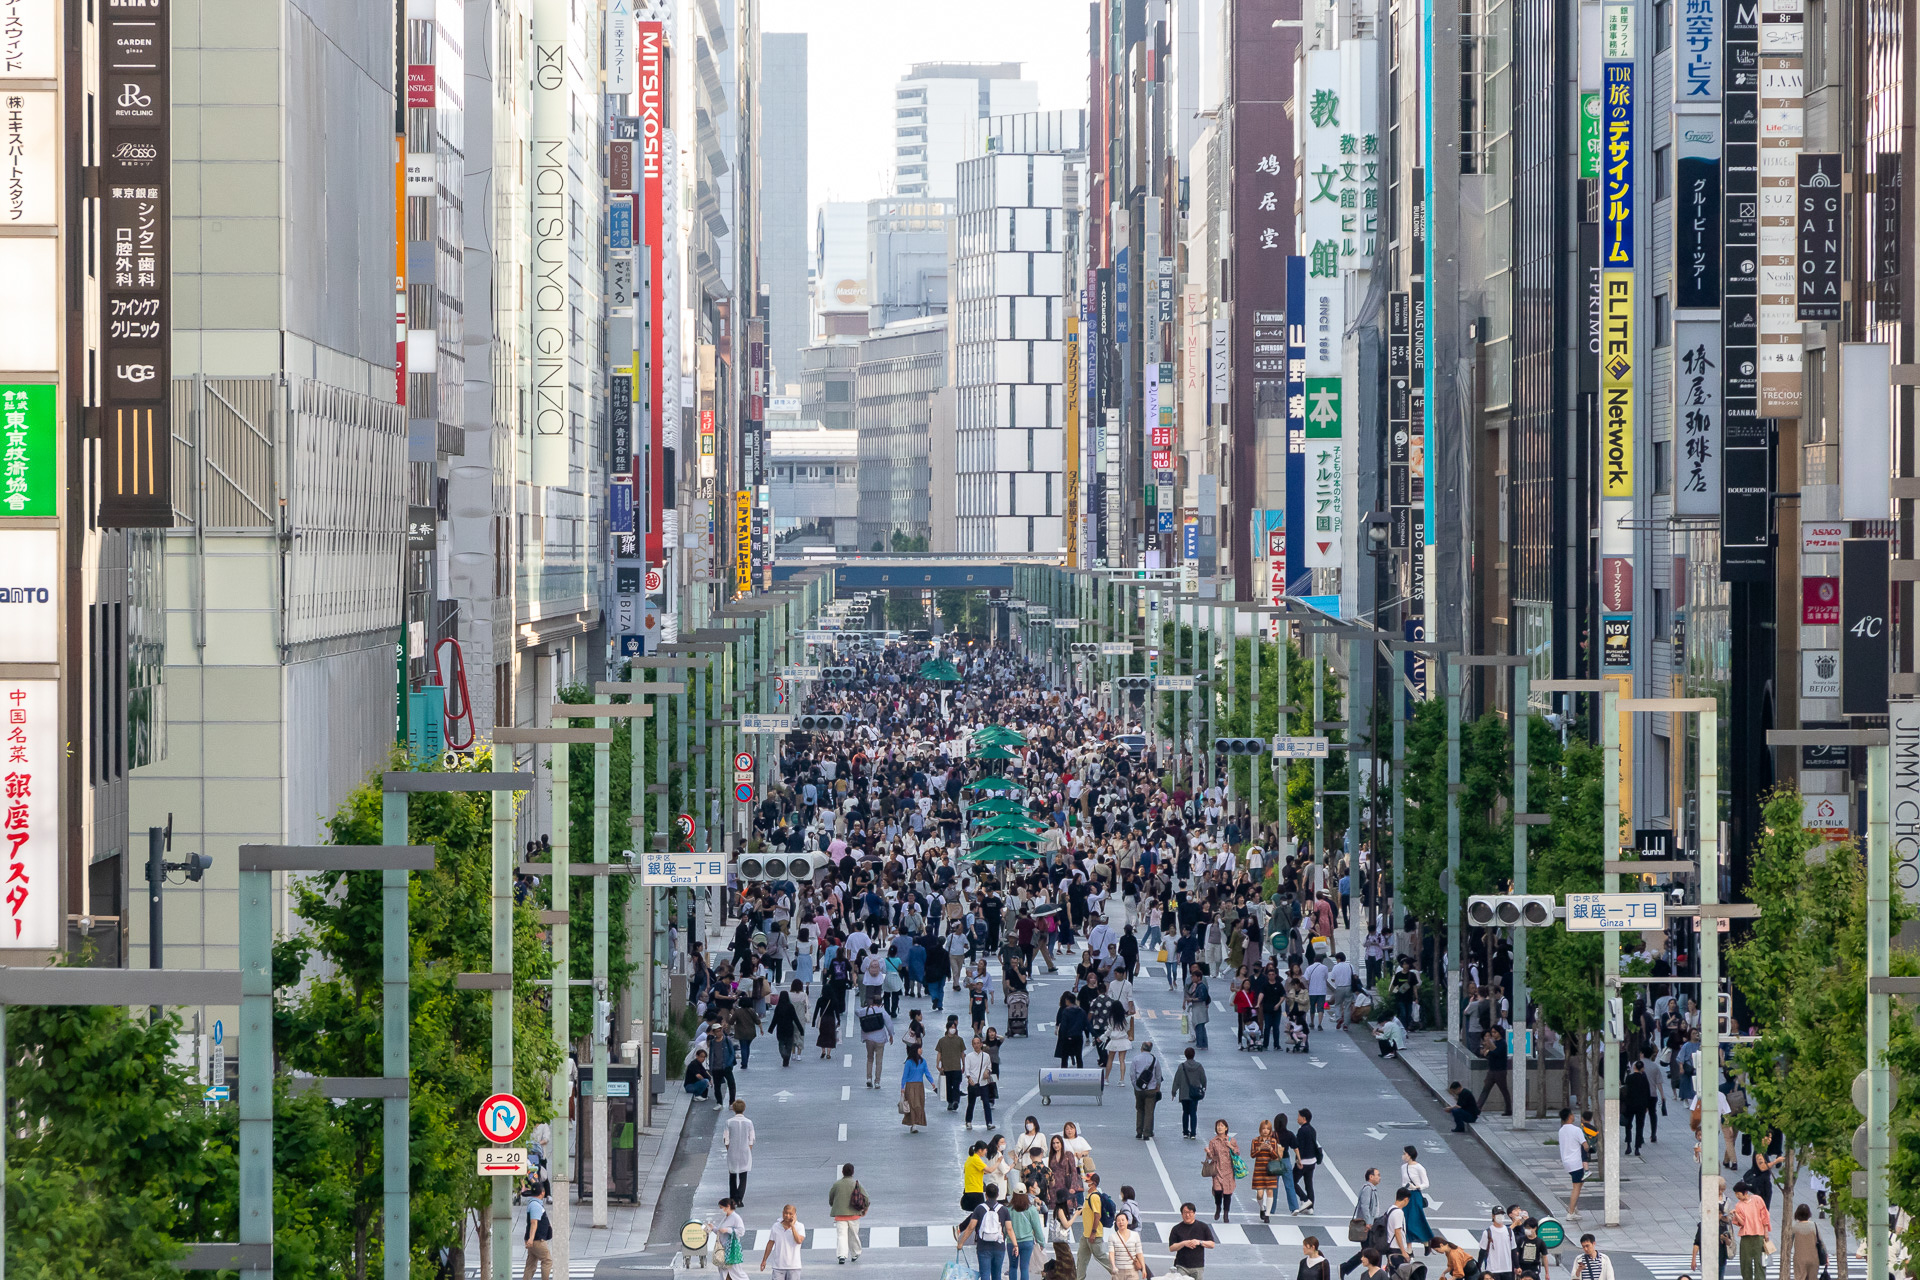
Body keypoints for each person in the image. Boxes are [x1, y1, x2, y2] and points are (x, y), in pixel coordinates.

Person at [957, 1181, 1016, 1280]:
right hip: (999, 1246)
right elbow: (1009, 1229)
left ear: (986, 1195)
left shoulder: (979, 1209)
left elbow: (971, 1227)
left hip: (983, 1246)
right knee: (997, 1274)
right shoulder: (1004, 1210)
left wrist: (961, 1242)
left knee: (984, 1274)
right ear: (997, 1195)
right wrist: (1015, 1244)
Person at [1339, 1169, 1383, 1276]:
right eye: (1377, 1175)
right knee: (1370, 1251)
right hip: (1368, 1225)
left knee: (1369, 1251)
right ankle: (1346, 1268)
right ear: (1371, 1177)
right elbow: (1364, 1206)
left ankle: (1346, 1268)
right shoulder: (1368, 1189)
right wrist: (1368, 1222)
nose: (1379, 1177)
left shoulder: (1372, 1189)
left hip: (1371, 1224)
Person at [1166, 1202, 1218, 1279]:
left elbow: (1212, 1244)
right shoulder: (1176, 1229)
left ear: (1194, 1213)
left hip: (1198, 1266)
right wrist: (1184, 1243)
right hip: (1181, 1265)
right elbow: (1171, 1248)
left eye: (1190, 1212)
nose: (1187, 1215)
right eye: (1185, 1212)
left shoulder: (1203, 1227)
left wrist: (1199, 1242)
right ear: (1182, 1214)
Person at [1077, 1172, 1115, 1279]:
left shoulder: (1094, 1197)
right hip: (1086, 1235)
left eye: (1086, 1181)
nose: (1084, 1182)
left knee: (1100, 1256)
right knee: (1081, 1258)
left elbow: (1097, 1215)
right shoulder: (1089, 1196)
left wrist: (1093, 1232)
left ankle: (1118, 1273)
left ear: (1093, 1183)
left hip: (1093, 1235)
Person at [1731, 1183, 1772, 1280]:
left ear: (1745, 1192)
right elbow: (1742, 1223)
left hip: (1759, 1235)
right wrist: (1736, 1214)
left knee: (1760, 1262)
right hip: (1746, 1236)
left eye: (1738, 1194)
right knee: (1745, 1262)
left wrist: (1766, 1232)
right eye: (1736, 1194)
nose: (1737, 1196)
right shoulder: (1738, 1205)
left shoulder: (1757, 1199)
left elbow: (1765, 1216)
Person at [827, 1163, 866, 1264]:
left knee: (841, 1235)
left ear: (842, 1172)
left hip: (840, 1214)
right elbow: (865, 1197)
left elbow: (831, 1198)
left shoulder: (837, 1184)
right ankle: (855, 1253)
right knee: (854, 1235)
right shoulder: (856, 1184)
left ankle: (842, 1255)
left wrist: (833, 1205)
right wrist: (864, 1209)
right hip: (854, 1214)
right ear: (853, 1172)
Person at [1204, 1119, 1240, 1222]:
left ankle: (1226, 1213)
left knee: (1228, 1193)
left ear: (1226, 1128)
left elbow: (1237, 1153)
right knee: (1218, 1191)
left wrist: (1231, 1146)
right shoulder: (1213, 1141)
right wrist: (1208, 1152)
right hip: (1217, 1169)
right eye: (1218, 1126)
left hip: (1229, 1170)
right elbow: (1211, 1157)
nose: (1220, 1128)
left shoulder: (1231, 1140)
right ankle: (1218, 1207)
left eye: (1222, 1126)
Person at [759, 1203, 807, 1280]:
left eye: (790, 1214)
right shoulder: (776, 1226)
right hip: (778, 1266)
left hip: (794, 1267)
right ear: (782, 1213)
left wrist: (792, 1226)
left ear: (795, 1215)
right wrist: (764, 1260)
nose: (787, 1215)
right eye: (786, 1213)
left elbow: (799, 1240)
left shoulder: (800, 1226)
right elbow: (770, 1244)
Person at [1010, 1188, 1048, 1280]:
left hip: (1012, 1242)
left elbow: (1006, 1227)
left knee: (1013, 1267)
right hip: (1027, 1241)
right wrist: (1041, 1242)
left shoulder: (1009, 1209)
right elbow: (1037, 1228)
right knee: (1024, 1268)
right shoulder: (1031, 1209)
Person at [1399, 1146, 1434, 1246]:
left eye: (1404, 1153)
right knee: (1405, 1220)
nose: (1403, 1156)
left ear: (1410, 1155)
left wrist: (1416, 1187)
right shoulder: (1403, 1167)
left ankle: (1426, 1241)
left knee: (1416, 1219)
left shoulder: (1419, 1168)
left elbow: (1426, 1183)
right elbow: (1403, 1182)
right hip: (1406, 1194)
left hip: (1415, 1195)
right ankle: (1409, 1248)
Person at [1250, 1120, 1283, 1223]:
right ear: (1260, 1129)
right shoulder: (1255, 1141)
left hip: (1270, 1170)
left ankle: (1267, 1214)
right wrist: (1259, 1148)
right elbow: (1252, 1155)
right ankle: (1262, 1208)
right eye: (1264, 1128)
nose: (1265, 1131)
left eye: (1268, 1129)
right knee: (1259, 1194)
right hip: (1259, 1170)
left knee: (1270, 1191)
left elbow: (1276, 1156)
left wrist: (1270, 1149)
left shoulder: (1273, 1141)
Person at [1557, 1107, 1588, 1218]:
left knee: (1580, 1184)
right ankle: (1571, 1212)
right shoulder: (1576, 1130)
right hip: (1576, 1162)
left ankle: (1573, 1207)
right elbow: (1585, 1145)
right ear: (1570, 1116)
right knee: (1576, 1186)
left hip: (1567, 1162)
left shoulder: (1561, 1131)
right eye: (1573, 1114)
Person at [1170, 1047, 1207, 1139]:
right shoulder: (1199, 1066)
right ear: (1194, 1055)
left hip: (1184, 1093)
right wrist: (1203, 1087)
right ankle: (1193, 1133)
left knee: (1185, 1112)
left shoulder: (1181, 1066)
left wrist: (1174, 1092)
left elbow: (1177, 1080)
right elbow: (1203, 1079)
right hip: (1194, 1094)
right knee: (1193, 1113)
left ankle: (1185, 1132)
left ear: (1185, 1055)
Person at [521, 1177, 553, 1280]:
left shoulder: (533, 1203)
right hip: (538, 1239)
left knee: (531, 1263)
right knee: (547, 1260)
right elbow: (534, 1223)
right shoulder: (536, 1205)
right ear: (542, 1192)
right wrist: (531, 1239)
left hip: (533, 1239)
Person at [725, 1099, 756, 1206]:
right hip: (745, 1150)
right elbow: (752, 1139)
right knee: (743, 1175)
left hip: (732, 1150)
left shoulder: (729, 1122)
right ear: (744, 1109)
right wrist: (748, 1148)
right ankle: (739, 1198)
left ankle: (733, 1197)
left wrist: (728, 1148)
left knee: (732, 1174)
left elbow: (726, 1139)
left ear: (733, 1109)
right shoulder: (749, 1122)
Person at [900, 1043, 936, 1133]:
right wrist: (902, 1087)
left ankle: (916, 1122)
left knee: (919, 1105)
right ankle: (913, 1124)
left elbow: (927, 1072)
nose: (921, 1050)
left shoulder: (923, 1061)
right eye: (920, 1048)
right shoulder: (909, 1062)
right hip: (910, 1086)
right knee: (912, 1105)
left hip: (919, 1086)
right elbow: (905, 1075)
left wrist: (932, 1082)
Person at [1130, 1039, 1163, 1140]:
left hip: (1139, 1089)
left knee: (1140, 1109)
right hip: (1151, 1089)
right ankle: (1147, 1132)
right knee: (1149, 1111)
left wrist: (1135, 1085)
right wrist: (1158, 1086)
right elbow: (1158, 1075)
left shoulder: (1136, 1059)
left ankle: (1139, 1131)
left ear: (1142, 1048)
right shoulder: (1154, 1060)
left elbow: (1132, 1074)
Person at [858, 997, 893, 1089]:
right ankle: (877, 1082)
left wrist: (867, 1008)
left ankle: (869, 1078)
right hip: (880, 1039)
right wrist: (891, 1035)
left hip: (868, 1038)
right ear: (881, 1003)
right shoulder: (882, 1011)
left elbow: (857, 1012)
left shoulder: (865, 1010)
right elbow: (889, 1024)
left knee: (870, 1058)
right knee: (879, 1061)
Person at [1108, 1205, 1150, 1280]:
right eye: (1118, 1221)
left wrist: (1143, 1268)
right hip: (1118, 1271)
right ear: (1116, 1223)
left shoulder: (1135, 1235)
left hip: (1132, 1271)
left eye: (1123, 1220)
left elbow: (1139, 1253)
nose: (1121, 1222)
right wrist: (1113, 1266)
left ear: (1127, 1221)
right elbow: (1111, 1253)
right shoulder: (1112, 1237)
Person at [966, 1034, 998, 1130]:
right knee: (971, 1103)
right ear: (972, 1045)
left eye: (978, 1043)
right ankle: (968, 1121)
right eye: (974, 1043)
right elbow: (967, 1070)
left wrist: (987, 1072)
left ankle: (989, 1123)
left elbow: (989, 1067)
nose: (976, 1045)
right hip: (973, 1083)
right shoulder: (969, 1056)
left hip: (983, 1083)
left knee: (986, 1103)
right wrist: (969, 1078)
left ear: (981, 1044)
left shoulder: (986, 1056)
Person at [1621, 1060, 1653, 1155]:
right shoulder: (1644, 1079)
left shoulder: (1629, 1078)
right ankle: (1637, 1148)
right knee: (1639, 1126)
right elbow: (1647, 1093)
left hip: (1630, 1105)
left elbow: (1626, 1091)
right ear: (1642, 1068)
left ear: (1634, 1067)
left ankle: (1628, 1145)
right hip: (1641, 1106)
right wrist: (1647, 1106)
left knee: (1628, 1125)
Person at [714, 1196, 749, 1280]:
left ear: (728, 1206)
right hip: (723, 1249)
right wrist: (713, 1228)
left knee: (736, 1272)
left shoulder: (736, 1218)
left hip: (731, 1249)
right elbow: (720, 1231)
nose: (721, 1210)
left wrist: (728, 1230)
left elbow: (741, 1231)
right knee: (724, 1271)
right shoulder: (726, 1217)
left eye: (721, 1208)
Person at [938, 1017, 970, 1110]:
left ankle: (956, 1101)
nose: (953, 1029)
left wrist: (964, 1064)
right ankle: (950, 1101)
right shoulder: (942, 1040)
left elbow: (962, 1053)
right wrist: (938, 1065)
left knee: (956, 1085)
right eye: (951, 1027)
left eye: (954, 1027)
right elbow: (939, 1053)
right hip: (946, 1067)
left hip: (956, 1067)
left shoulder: (959, 1040)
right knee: (948, 1086)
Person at [1294, 1110, 1322, 1213]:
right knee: (1309, 1184)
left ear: (1304, 1118)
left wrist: (1298, 1160)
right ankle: (1311, 1208)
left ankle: (1305, 1200)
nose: (1297, 1118)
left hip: (1303, 1161)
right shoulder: (1312, 1129)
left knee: (1292, 1182)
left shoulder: (1302, 1131)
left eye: (1299, 1116)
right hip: (1312, 1161)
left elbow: (1300, 1147)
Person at [1480, 1204, 1516, 1280]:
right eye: (1498, 1214)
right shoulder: (1487, 1232)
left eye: (1502, 1214)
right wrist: (1479, 1265)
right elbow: (1482, 1251)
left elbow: (1513, 1249)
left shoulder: (1509, 1231)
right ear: (1493, 1216)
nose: (1500, 1216)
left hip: (1507, 1268)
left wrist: (1517, 1266)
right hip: (1492, 1269)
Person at [1789, 1204, 1823, 1280]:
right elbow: (1820, 1241)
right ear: (1809, 1214)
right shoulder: (1814, 1225)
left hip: (1799, 1258)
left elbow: (1789, 1243)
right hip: (1813, 1257)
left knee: (1800, 1277)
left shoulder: (1794, 1227)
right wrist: (1825, 1256)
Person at [1184, 965, 1212, 1049]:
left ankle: (1201, 1043)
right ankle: (1203, 1043)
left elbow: (1202, 998)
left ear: (1199, 978)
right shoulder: (1197, 986)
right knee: (1200, 1026)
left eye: (1194, 977)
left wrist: (1191, 999)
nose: (1192, 978)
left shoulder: (1201, 986)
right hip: (1198, 1008)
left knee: (1199, 1026)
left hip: (1199, 1008)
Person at [964, 1141, 991, 1213]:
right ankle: (966, 1221)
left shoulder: (970, 1158)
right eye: (985, 1150)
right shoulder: (976, 1159)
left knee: (976, 1213)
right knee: (980, 1213)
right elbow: (990, 1170)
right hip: (976, 1190)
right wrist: (998, 1162)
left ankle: (968, 1221)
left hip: (969, 1189)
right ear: (980, 1150)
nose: (986, 1152)